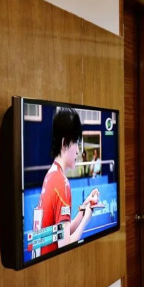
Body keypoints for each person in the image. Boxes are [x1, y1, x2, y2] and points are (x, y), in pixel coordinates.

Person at [33, 107, 99, 256]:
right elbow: (65, 244)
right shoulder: (61, 183)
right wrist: (86, 220)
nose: (78, 151)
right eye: (76, 143)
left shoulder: (51, 175)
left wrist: (83, 209)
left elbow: (62, 233)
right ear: (64, 143)